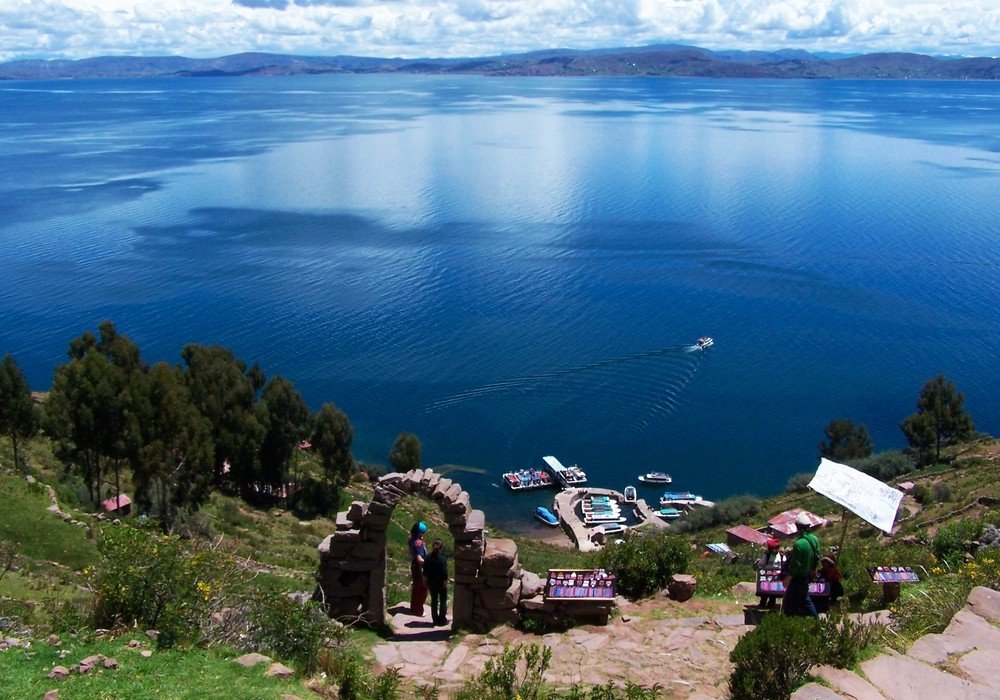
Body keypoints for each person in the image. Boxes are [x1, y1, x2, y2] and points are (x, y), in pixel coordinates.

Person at [782, 513, 820, 617]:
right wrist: (813, 569)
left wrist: (788, 578)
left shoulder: (799, 543)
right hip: (807, 574)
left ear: (798, 527)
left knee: (790, 602)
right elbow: (817, 556)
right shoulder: (814, 539)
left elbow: (795, 564)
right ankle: (814, 620)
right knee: (804, 598)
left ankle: (788, 622)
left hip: (798, 577)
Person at [423, 539, 449, 626]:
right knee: (443, 600)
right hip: (441, 582)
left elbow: (425, 571)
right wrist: (445, 581)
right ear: (441, 548)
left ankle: (435, 619)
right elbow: (445, 572)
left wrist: (425, 581)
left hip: (431, 582)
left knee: (434, 600)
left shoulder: (427, 557)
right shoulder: (442, 559)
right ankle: (442, 619)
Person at [756, 538, 785, 609]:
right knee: (765, 591)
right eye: (773, 549)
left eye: (776, 549)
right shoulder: (767, 555)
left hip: (777, 578)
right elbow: (762, 564)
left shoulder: (781, 556)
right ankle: (762, 603)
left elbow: (784, 565)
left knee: (774, 592)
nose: (774, 550)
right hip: (767, 577)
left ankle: (771, 604)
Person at [408, 521, 428, 616]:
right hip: (420, 568)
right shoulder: (419, 543)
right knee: (423, 589)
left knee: (416, 588)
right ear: (420, 532)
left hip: (414, 566)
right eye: (423, 532)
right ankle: (419, 610)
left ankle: (414, 608)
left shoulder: (411, 538)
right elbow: (420, 559)